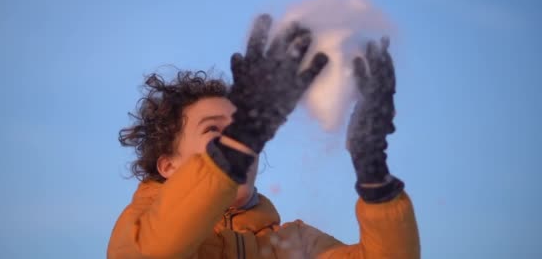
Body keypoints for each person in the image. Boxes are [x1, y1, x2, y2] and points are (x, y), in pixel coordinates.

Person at [107, 14, 420, 258]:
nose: (241, 141)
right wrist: (238, 138)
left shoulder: (294, 245)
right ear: (168, 166)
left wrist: (373, 170)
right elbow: (156, 250)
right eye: (214, 129)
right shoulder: (138, 227)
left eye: (246, 128)